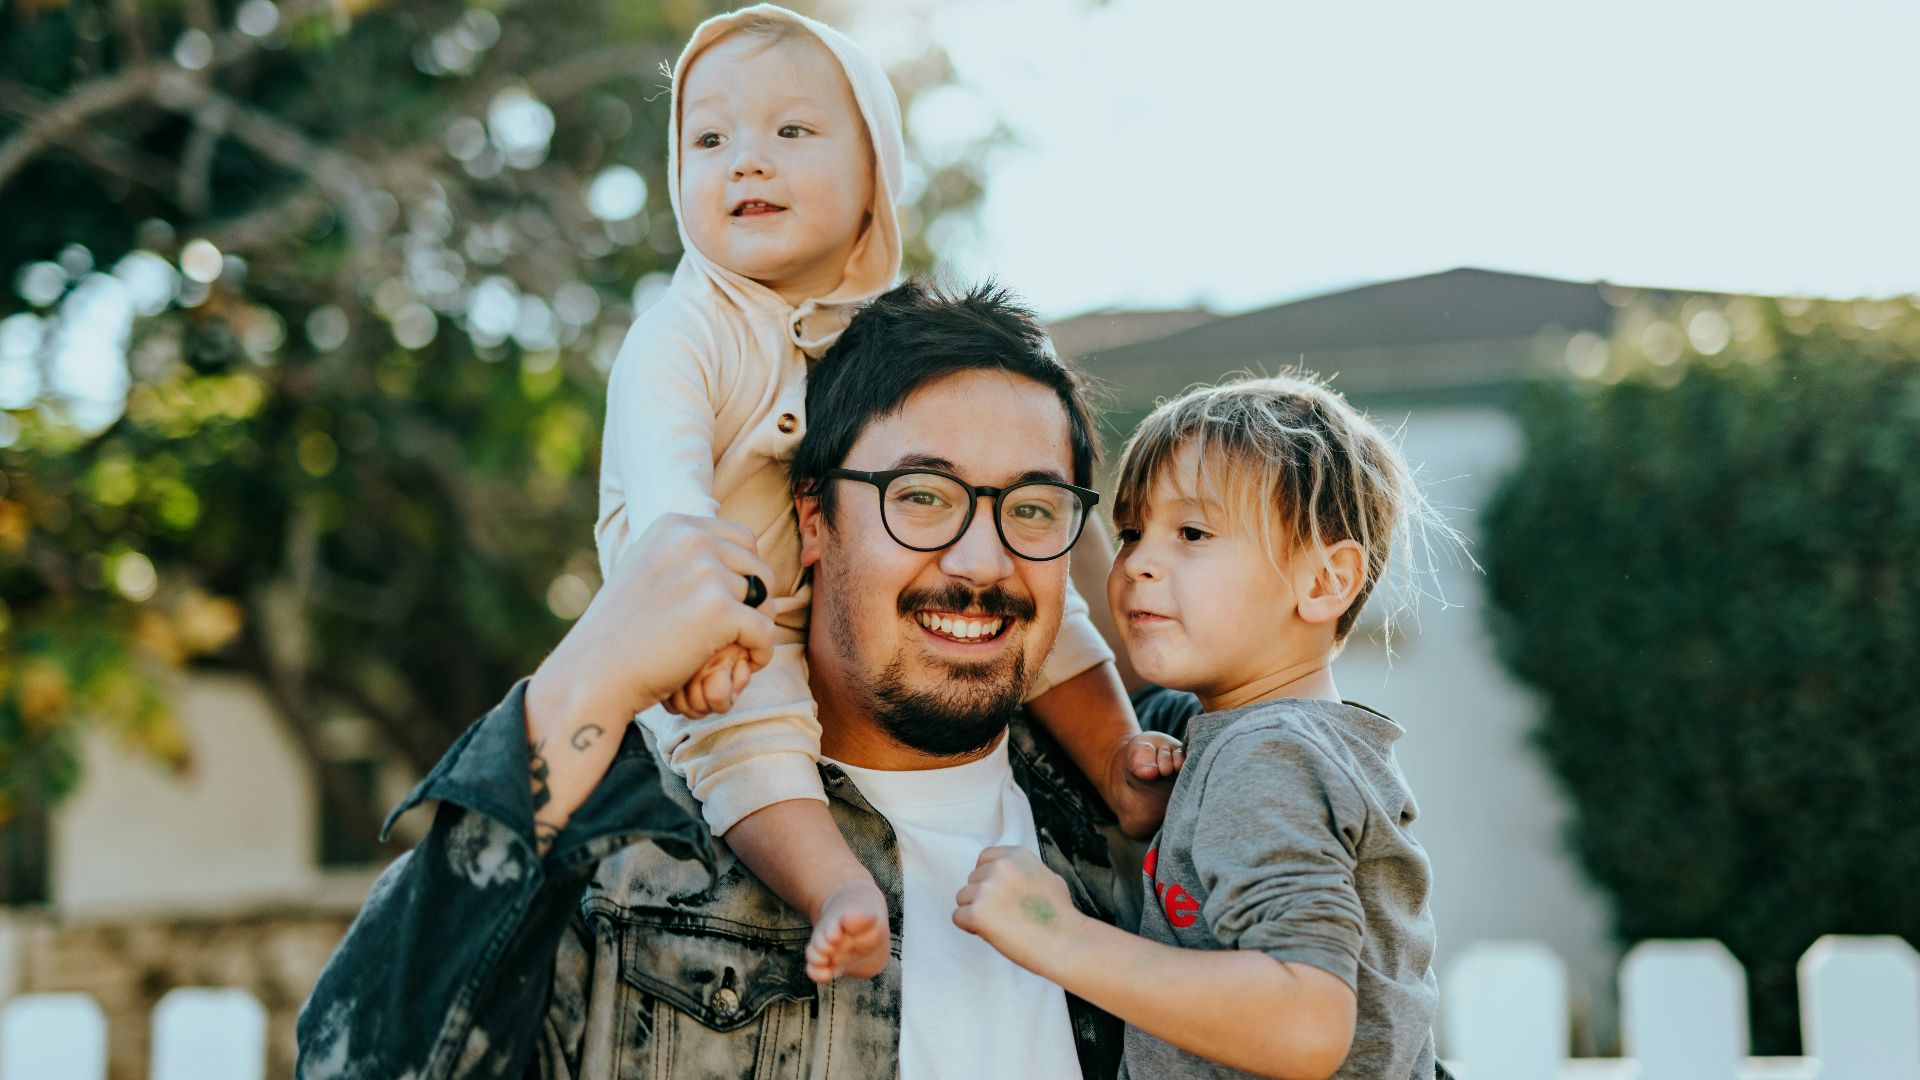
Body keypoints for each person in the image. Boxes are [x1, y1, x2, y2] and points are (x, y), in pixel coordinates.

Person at [296, 281, 1146, 1079]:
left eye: (1032, 509)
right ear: (812, 517)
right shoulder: (628, 856)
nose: (982, 561)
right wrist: (588, 676)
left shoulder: (1157, 824)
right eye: (922, 497)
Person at [594, 4, 1173, 985]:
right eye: (709, 140)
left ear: (876, 175)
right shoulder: (683, 333)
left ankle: (1119, 761)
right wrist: (701, 630)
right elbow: (668, 505)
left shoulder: (885, 336)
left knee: (1042, 603)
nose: (747, 161)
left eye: (790, 130)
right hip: (719, 623)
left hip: (813, 602)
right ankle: (835, 888)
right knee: (747, 737)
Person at [954, 375, 1462, 1079]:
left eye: (1192, 533)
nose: (1139, 563)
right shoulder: (1259, 738)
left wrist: (1057, 936)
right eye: (1132, 533)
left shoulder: (1267, 757)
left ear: (1324, 581)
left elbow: (1306, 1022)